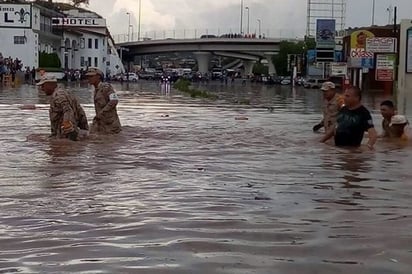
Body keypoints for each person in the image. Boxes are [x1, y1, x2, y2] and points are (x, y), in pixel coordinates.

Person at [37, 75, 89, 141]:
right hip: (70, 134)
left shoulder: (58, 96)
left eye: (43, 86)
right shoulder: (66, 93)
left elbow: (68, 110)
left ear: (50, 84)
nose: (42, 89)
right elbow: (80, 112)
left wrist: (68, 127)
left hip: (65, 135)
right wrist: (85, 129)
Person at [86, 67, 121, 134]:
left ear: (98, 77)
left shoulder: (106, 87)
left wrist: (102, 113)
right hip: (101, 125)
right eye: (88, 77)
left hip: (111, 125)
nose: (89, 79)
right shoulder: (96, 90)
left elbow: (114, 101)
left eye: (91, 76)